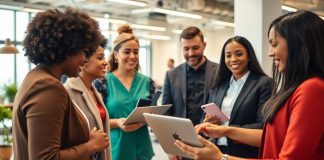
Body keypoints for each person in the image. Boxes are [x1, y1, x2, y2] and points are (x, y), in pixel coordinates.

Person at [174, 10, 324, 160]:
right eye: (228, 55)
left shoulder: (311, 89)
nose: (270, 53)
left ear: (298, 44)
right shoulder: (297, 88)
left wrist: (221, 158)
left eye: (274, 44)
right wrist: (223, 130)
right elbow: (267, 136)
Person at [12, 8, 109, 160]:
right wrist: (91, 146)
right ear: (68, 48)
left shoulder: (35, 77)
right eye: (83, 51)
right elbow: (45, 157)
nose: (85, 59)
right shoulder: (48, 87)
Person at [202, 36, 273, 158]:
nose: (233, 59)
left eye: (239, 54)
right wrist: (208, 123)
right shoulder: (218, 85)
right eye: (228, 55)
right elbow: (205, 119)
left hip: (246, 154)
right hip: (217, 152)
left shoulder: (264, 84)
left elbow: (263, 126)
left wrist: (225, 128)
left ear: (249, 56)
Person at [94, 24, 155, 160]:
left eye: (136, 52)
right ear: (116, 54)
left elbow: (152, 115)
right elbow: (95, 120)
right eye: (127, 52)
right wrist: (117, 123)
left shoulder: (147, 82)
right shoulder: (102, 82)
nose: (132, 56)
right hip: (116, 150)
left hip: (142, 150)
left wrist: (152, 118)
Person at [64, 40, 111, 160]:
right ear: (84, 60)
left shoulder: (93, 90)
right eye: (100, 58)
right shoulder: (67, 92)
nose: (105, 62)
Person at [162, 26, 219, 126]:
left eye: (195, 48)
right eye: (186, 49)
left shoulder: (219, 71)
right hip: (181, 136)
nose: (191, 53)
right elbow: (166, 111)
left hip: (211, 136)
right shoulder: (171, 75)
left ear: (204, 45)